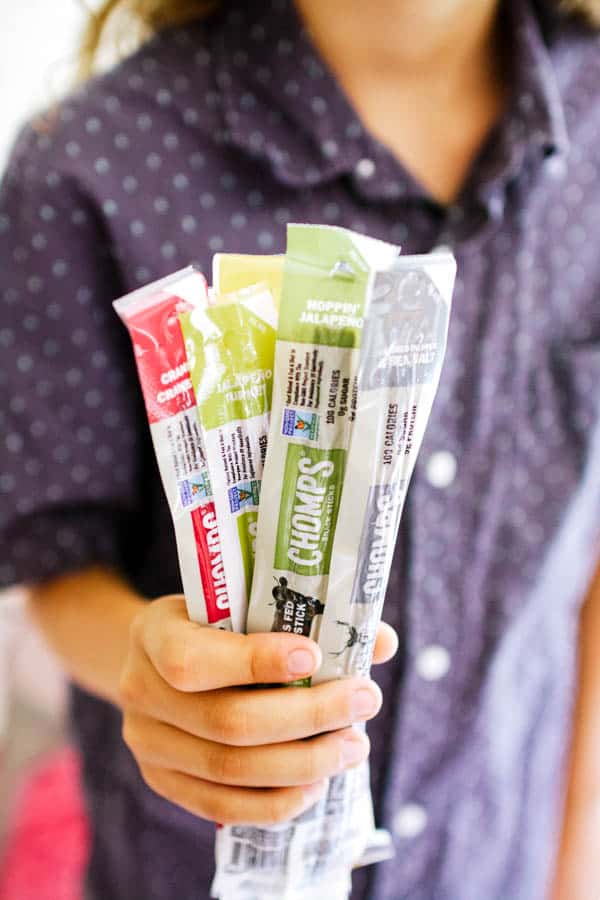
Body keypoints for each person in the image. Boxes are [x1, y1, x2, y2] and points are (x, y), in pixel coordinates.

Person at [1, 0, 599, 897]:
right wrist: (152, 668)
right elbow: (55, 562)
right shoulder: (91, 165)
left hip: (502, 859)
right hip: (185, 867)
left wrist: (576, 867)